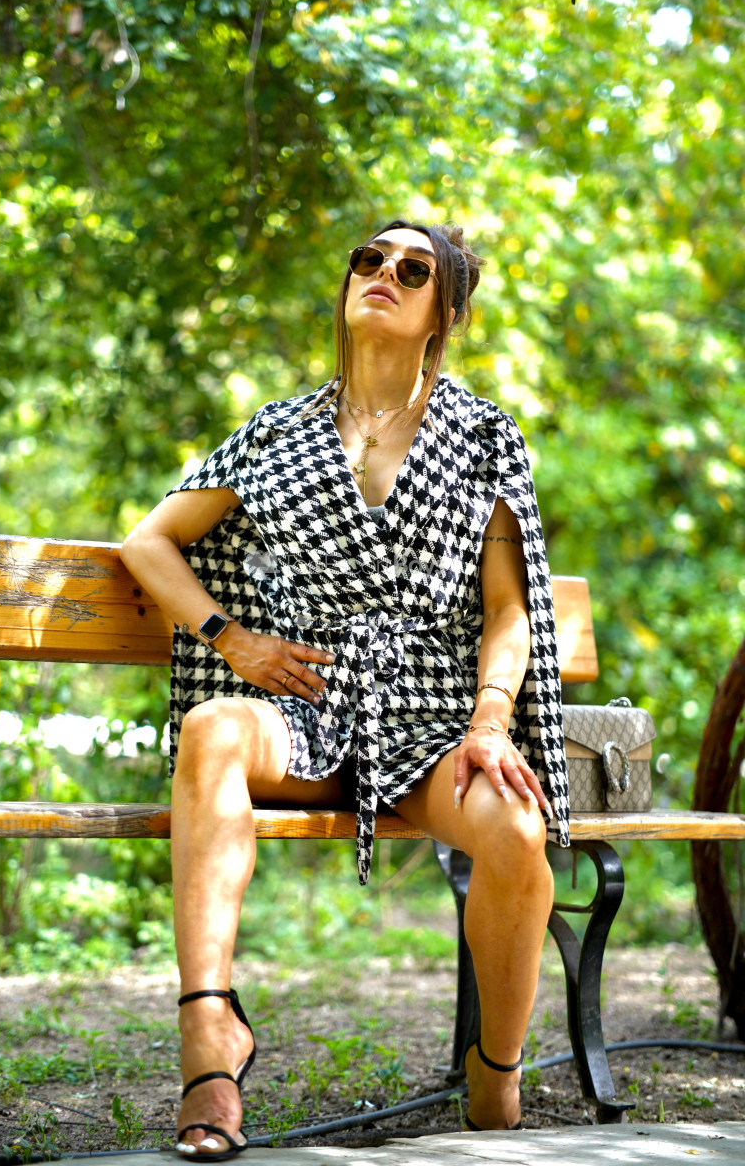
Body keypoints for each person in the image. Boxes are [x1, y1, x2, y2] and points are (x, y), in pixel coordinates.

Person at [120, 219, 569, 1158]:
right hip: (307, 706)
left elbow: (508, 608)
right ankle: (210, 1039)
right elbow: (148, 542)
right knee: (212, 729)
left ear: (444, 312)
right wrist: (233, 639)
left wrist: (492, 720)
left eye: (414, 269)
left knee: (517, 828)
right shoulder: (277, 430)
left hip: (432, 719)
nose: (384, 274)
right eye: (371, 259)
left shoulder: (483, 435)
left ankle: (496, 1070)